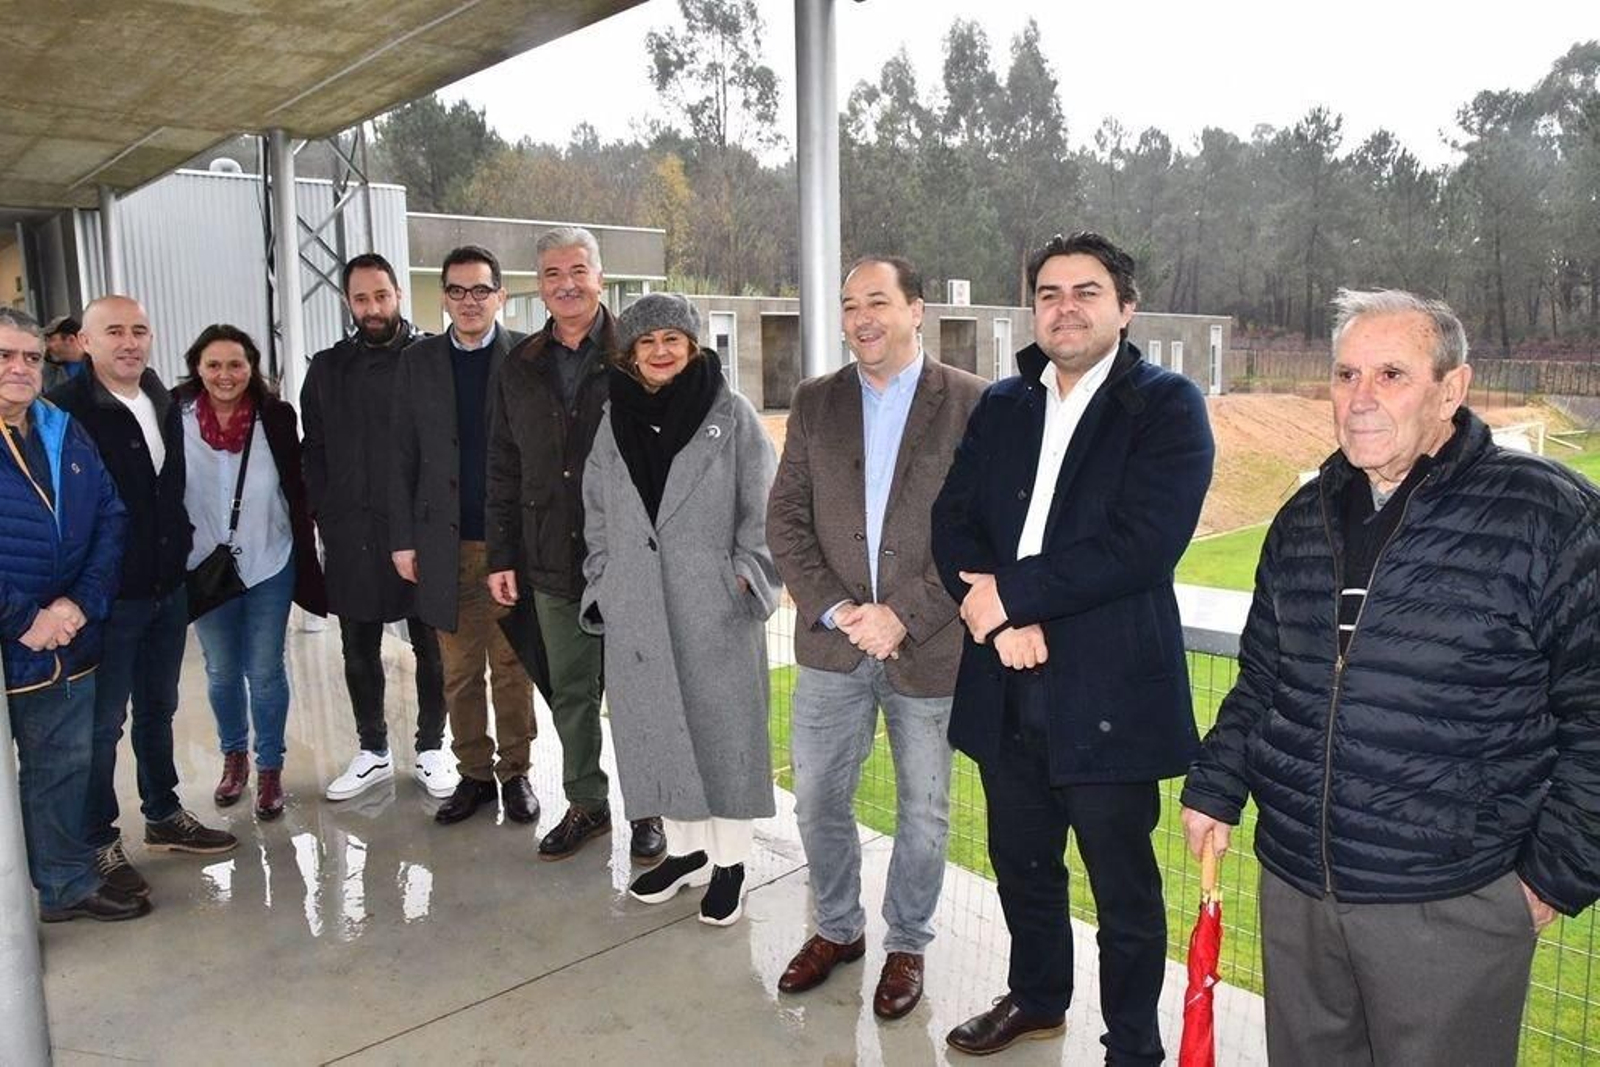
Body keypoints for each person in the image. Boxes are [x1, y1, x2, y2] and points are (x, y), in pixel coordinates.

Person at [1180, 289, 1600, 1066]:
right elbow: (1265, 677)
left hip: (1450, 902)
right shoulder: (1303, 518)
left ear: (1452, 388)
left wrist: (1549, 879)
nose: (1360, 397)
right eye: (1346, 374)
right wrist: (1216, 783)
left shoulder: (1549, 515)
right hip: (1299, 889)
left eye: (1391, 374)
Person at [931, 232, 1215, 1060]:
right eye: (1049, 293)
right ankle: (1037, 997)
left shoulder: (1167, 406)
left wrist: (1012, 597)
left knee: (1123, 889)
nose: (1065, 307)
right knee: (1022, 862)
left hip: (1108, 691)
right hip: (1005, 679)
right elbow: (951, 521)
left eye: (1086, 291)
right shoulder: (1004, 404)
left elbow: (1141, 544)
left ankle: (1133, 1044)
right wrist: (998, 620)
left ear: (1126, 308)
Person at [767, 257, 986, 1018]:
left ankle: (907, 943)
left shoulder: (973, 403)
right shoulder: (815, 401)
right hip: (834, 646)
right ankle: (838, 928)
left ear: (916, 310)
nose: (862, 317)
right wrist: (837, 609)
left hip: (930, 646)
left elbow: (982, 530)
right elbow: (786, 519)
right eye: (849, 304)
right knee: (817, 797)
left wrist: (903, 614)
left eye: (878, 301)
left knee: (924, 811)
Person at [579, 293, 779, 924]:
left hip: (714, 609)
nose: (660, 351)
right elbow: (597, 512)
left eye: (672, 339)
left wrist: (745, 578)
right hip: (639, 607)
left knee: (725, 737)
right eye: (647, 341)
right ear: (631, 355)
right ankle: (688, 852)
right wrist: (604, 581)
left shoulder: (732, 414)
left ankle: (731, 863)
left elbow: (764, 509)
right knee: (659, 733)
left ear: (693, 346)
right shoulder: (614, 420)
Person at [486, 226, 665, 864]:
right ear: (539, 286)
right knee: (569, 690)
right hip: (549, 557)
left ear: (600, 277)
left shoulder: (637, 355)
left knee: (636, 693)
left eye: (578, 271)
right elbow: (503, 464)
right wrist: (502, 555)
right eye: (553, 274)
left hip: (628, 558)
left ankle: (648, 809)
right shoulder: (519, 365)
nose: (566, 285)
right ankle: (587, 802)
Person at [49, 295, 237, 902]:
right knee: (102, 725)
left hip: (165, 586)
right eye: (114, 332)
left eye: (139, 330)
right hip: (106, 597)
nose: (129, 342)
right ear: (85, 342)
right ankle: (96, 841)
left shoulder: (160, 397)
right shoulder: (65, 411)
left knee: (159, 708)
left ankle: (163, 813)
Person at [0, 308, 145, 922]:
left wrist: (79, 603)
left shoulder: (62, 429)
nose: (20, 368)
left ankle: (64, 884)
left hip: (65, 635)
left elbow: (111, 515)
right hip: (19, 633)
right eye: (5, 356)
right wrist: (22, 618)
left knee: (63, 764)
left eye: (31, 357)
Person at [390, 245, 539, 826]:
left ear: (500, 295)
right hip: (442, 545)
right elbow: (401, 454)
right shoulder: (417, 362)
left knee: (512, 668)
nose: (469, 301)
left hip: (509, 546)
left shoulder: (526, 355)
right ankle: (474, 774)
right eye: (457, 290)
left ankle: (516, 772)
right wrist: (404, 540)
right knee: (458, 672)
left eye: (481, 290)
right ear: (444, 298)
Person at [302, 253, 453, 803]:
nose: (372, 308)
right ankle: (372, 751)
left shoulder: (432, 357)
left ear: (398, 295)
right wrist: (325, 509)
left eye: (381, 296)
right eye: (361, 299)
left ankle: (433, 747)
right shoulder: (327, 368)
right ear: (348, 302)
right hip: (352, 531)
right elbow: (313, 447)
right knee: (357, 647)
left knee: (432, 646)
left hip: (422, 529)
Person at [175, 325, 326, 820]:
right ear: (197, 368)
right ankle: (234, 757)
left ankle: (270, 768)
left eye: (236, 364)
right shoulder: (176, 417)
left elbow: (296, 485)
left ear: (252, 368)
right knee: (221, 671)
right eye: (214, 365)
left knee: (264, 670)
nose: (226, 375)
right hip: (203, 566)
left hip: (268, 559)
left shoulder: (275, 417)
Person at [42, 314, 87, 392]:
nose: (48, 345)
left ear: (71, 339)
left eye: (51, 339)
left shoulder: (99, 365)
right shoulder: (51, 369)